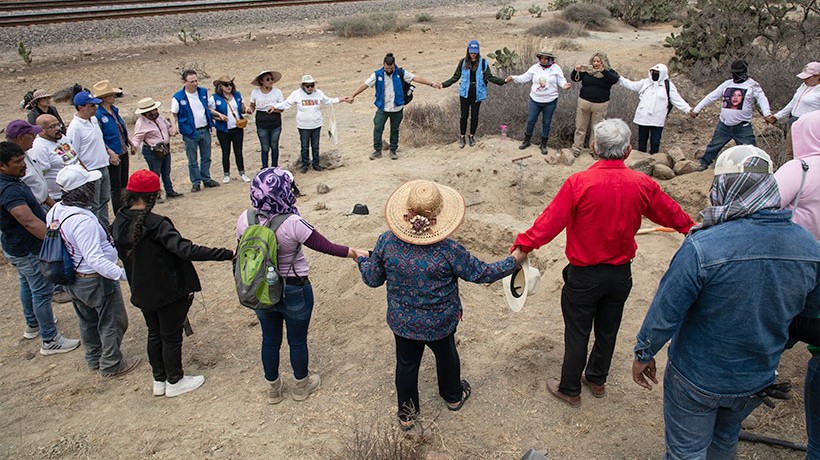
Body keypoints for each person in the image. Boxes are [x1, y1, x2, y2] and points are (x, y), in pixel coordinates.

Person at [632, 145, 820, 459]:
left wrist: (644, 351)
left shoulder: (703, 245)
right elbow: (808, 317)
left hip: (697, 374)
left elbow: (667, 309)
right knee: (724, 442)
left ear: (724, 188)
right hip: (755, 375)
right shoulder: (809, 248)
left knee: (686, 451)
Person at [511, 119, 694, 408]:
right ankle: (596, 379)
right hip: (620, 275)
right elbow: (673, 215)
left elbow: (549, 223)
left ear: (594, 148)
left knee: (577, 332)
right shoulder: (643, 184)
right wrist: (692, 228)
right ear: (629, 150)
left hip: (584, 275)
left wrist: (523, 246)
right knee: (608, 329)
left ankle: (570, 388)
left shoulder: (578, 183)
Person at [356, 179, 526, 431]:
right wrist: (514, 261)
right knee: (447, 356)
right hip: (441, 321)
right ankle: (453, 396)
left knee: (406, 364)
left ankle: (407, 414)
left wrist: (361, 261)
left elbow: (373, 279)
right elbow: (482, 273)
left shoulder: (386, 242)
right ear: (439, 215)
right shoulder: (449, 250)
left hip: (403, 322)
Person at [235, 167, 366, 403]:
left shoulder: (246, 219)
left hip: (261, 289)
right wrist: (356, 253)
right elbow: (326, 246)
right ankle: (301, 386)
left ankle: (273, 389)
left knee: (269, 339)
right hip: (295, 288)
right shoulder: (293, 222)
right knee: (297, 340)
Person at [112, 170, 233, 397]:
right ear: (154, 195)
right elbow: (185, 249)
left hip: (141, 289)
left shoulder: (119, 220)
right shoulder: (156, 224)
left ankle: (159, 379)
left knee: (154, 333)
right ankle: (175, 380)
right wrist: (225, 254)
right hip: (168, 290)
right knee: (170, 335)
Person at [47, 164, 140, 377]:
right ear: (82, 189)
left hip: (73, 278)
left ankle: (94, 357)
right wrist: (125, 275)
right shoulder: (82, 221)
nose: (94, 188)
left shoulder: (56, 210)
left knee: (87, 320)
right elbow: (95, 259)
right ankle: (111, 364)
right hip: (94, 278)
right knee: (112, 321)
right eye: (90, 185)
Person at [0, 141, 79, 353]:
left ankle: (33, 325)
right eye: (17, 162)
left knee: (28, 284)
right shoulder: (9, 190)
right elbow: (28, 221)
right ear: (2, 166)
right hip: (27, 248)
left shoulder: (11, 180)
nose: (23, 165)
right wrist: (56, 242)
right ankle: (50, 339)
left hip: (17, 247)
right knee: (42, 292)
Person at [773, 111, 820, 458]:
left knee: (780, 324)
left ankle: (759, 376)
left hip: (796, 263)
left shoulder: (800, 169)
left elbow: (764, 203)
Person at [350, 53, 440, 160]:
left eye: (391, 68)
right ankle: (377, 150)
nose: (388, 70)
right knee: (378, 128)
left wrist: (431, 84)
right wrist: (353, 95)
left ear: (394, 65)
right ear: (383, 65)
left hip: (397, 108)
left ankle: (393, 150)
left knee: (395, 129)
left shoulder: (401, 72)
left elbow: (415, 78)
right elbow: (365, 85)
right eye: (386, 68)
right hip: (383, 108)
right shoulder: (377, 75)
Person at [690, 59, 772, 171]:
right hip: (724, 125)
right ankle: (704, 163)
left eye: (738, 72)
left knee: (750, 150)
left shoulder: (753, 85)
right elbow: (712, 96)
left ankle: (755, 169)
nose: (736, 75)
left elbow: (762, 99)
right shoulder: (727, 84)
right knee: (714, 146)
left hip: (742, 127)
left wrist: (767, 114)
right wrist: (697, 109)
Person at [274, 75, 348, 174]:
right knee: (304, 146)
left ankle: (316, 163)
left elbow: (328, 101)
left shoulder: (318, 93)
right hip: (303, 125)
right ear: (303, 86)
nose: (310, 88)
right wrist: (274, 106)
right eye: (307, 86)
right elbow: (286, 104)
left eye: (311, 85)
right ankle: (305, 164)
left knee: (315, 145)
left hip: (316, 124)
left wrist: (341, 99)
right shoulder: (296, 94)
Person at [441, 40, 506, 149]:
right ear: (468, 51)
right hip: (465, 92)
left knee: (475, 116)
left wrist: (503, 81)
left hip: (477, 92)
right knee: (463, 116)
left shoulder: (483, 63)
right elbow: (455, 77)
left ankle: (471, 136)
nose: (473, 54)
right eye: (471, 52)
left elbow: (490, 77)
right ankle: (462, 137)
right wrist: (443, 84)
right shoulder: (462, 62)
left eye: (475, 52)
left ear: (478, 51)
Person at [506, 50, 572, 155]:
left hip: (550, 100)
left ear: (551, 59)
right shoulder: (534, 68)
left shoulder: (556, 68)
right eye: (542, 58)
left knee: (546, 122)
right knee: (531, 120)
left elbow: (561, 80)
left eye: (546, 58)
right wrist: (513, 78)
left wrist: (565, 86)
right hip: (535, 100)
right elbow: (525, 77)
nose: (544, 60)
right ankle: (527, 141)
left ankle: (543, 144)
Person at [618, 63, 692, 154]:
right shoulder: (646, 83)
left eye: (657, 72)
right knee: (642, 140)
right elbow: (632, 85)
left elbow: (677, 100)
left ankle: (654, 158)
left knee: (655, 141)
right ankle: (641, 158)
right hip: (643, 118)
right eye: (653, 72)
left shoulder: (668, 86)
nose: (655, 74)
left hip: (657, 119)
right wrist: (619, 78)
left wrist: (688, 110)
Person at [65, 91, 113, 227]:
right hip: (90, 169)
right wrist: (84, 172)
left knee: (104, 199)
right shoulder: (75, 128)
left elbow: (99, 140)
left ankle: (104, 226)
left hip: (103, 165)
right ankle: (95, 227)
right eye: (91, 105)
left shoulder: (93, 120)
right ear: (81, 107)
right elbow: (74, 153)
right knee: (94, 204)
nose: (95, 108)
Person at [170, 69, 219, 192]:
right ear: (184, 82)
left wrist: (217, 115)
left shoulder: (203, 92)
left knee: (206, 156)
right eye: (191, 81)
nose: (195, 84)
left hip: (204, 128)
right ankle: (195, 182)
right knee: (192, 159)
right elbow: (173, 113)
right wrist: (174, 126)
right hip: (189, 131)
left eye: (196, 81)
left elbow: (207, 108)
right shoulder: (178, 97)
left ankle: (206, 178)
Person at [93, 80, 136, 215]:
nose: (114, 97)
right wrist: (110, 152)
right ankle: (119, 211)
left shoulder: (113, 111)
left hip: (122, 149)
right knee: (115, 185)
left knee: (124, 181)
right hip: (113, 152)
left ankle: (125, 206)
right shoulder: (98, 115)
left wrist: (130, 142)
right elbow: (100, 137)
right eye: (111, 95)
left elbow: (120, 130)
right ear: (104, 98)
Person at [131, 97, 183, 200]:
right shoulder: (141, 124)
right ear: (146, 113)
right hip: (152, 151)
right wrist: (134, 147)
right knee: (155, 174)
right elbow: (137, 138)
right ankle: (156, 195)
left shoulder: (159, 118)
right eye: (153, 110)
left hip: (164, 148)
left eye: (155, 109)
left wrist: (171, 130)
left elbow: (167, 127)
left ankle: (169, 191)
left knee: (166, 171)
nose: (156, 111)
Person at [570, 52, 619, 156]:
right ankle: (577, 148)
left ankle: (594, 150)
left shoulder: (609, 72)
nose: (596, 63)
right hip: (584, 102)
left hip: (600, 105)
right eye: (594, 61)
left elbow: (614, 80)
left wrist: (603, 71)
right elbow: (575, 78)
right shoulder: (588, 70)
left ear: (603, 62)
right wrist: (576, 70)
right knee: (580, 126)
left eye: (598, 61)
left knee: (596, 129)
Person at [30, 114, 80, 204]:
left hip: (77, 190)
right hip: (58, 197)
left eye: (58, 124)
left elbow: (75, 158)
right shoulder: (39, 147)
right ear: (41, 131)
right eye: (52, 127)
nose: (58, 128)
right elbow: (41, 175)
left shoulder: (62, 138)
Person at [209, 75, 250, 184]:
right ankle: (226, 174)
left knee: (238, 151)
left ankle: (242, 173)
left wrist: (247, 110)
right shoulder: (215, 98)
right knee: (225, 152)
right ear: (220, 86)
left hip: (237, 128)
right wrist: (219, 117)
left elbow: (241, 109)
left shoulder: (237, 95)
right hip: (223, 129)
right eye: (226, 85)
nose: (229, 87)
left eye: (230, 84)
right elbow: (208, 110)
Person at [4, 120, 53, 208]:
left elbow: (37, 184)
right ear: (21, 138)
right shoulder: (11, 165)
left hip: (43, 204)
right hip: (32, 208)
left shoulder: (27, 153)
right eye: (32, 134)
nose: (35, 136)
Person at [249, 70, 285, 168]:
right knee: (264, 147)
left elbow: (282, 108)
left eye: (271, 79)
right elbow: (252, 105)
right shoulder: (255, 92)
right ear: (261, 81)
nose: (270, 81)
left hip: (275, 122)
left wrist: (274, 109)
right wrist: (249, 110)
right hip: (261, 122)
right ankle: (264, 167)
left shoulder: (277, 92)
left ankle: (274, 166)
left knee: (274, 145)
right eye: (267, 79)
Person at [767, 61, 820, 126]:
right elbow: (793, 103)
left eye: (808, 78)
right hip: (794, 120)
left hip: (810, 125)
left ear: (818, 76)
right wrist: (777, 116)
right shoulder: (803, 86)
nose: (804, 80)